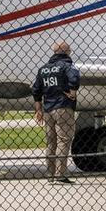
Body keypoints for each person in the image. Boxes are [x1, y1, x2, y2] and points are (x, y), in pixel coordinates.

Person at [31, 40, 81, 184]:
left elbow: (36, 90)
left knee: (51, 142)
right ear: (67, 52)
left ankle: (50, 174)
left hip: (47, 108)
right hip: (63, 106)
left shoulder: (44, 69)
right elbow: (75, 79)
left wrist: (38, 109)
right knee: (63, 140)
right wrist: (72, 93)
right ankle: (60, 175)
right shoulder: (67, 65)